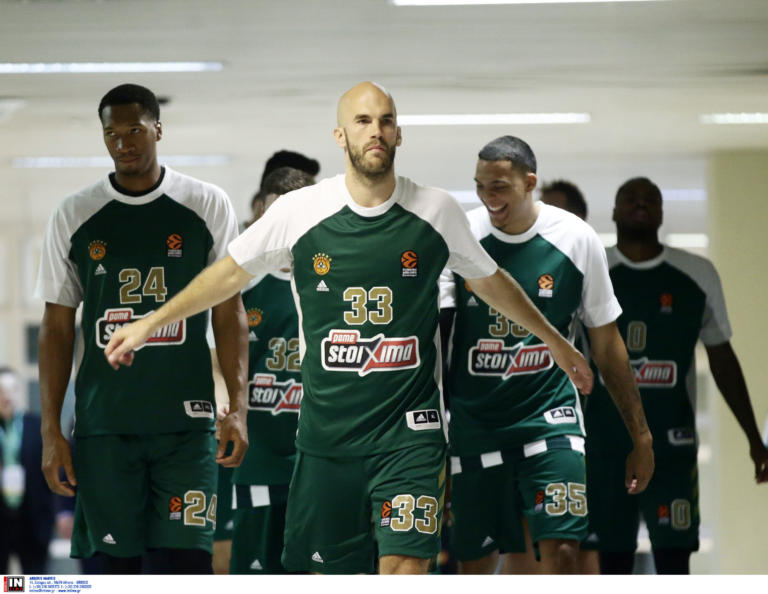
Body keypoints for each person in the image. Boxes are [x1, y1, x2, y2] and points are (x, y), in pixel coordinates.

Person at [103, 81, 593, 575]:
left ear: (398, 134)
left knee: (405, 567)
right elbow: (227, 274)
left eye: (385, 121)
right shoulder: (300, 211)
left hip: (411, 436)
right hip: (326, 441)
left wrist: (556, 341)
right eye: (362, 121)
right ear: (340, 136)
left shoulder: (436, 210)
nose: (375, 131)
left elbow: (490, 281)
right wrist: (150, 322)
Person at [35, 83, 248, 574]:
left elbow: (230, 312)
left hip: (186, 427)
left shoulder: (206, 203)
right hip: (106, 426)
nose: (123, 143)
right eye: (112, 134)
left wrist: (238, 408)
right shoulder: (74, 213)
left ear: (158, 129)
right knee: (114, 570)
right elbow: (56, 328)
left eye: (135, 130)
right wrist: (51, 430)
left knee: (184, 566)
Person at [440, 136, 654, 574]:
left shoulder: (576, 239)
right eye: (480, 186)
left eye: (499, 186)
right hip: (476, 424)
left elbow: (607, 345)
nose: (488, 196)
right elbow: (439, 341)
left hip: (550, 418)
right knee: (474, 564)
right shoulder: (461, 237)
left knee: (564, 552)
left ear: (529, 182)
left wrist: (642, 436)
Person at [583, 176, 768, 574]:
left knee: (674, 560)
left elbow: (722, 358)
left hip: (672, 447)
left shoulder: (697, 273)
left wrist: (755, 439)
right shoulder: (591, 271)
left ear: (662, 212)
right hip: (604, 447)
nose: (640, 203)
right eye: (630, 197)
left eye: (650, 198)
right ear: (613, 211)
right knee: (612, 562)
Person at [228, 166, 315, 574]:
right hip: (258, 457)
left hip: (320, 458)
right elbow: (217, 363)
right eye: (271, 216)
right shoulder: (241, 281)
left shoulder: (337, 279)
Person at [0, 367, 55, 573]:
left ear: (19, 391)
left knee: (32, 581)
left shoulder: (38, 426)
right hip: (2, 516)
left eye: (12, 389)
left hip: (32, 519)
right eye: (1, 391)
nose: (7, 396)